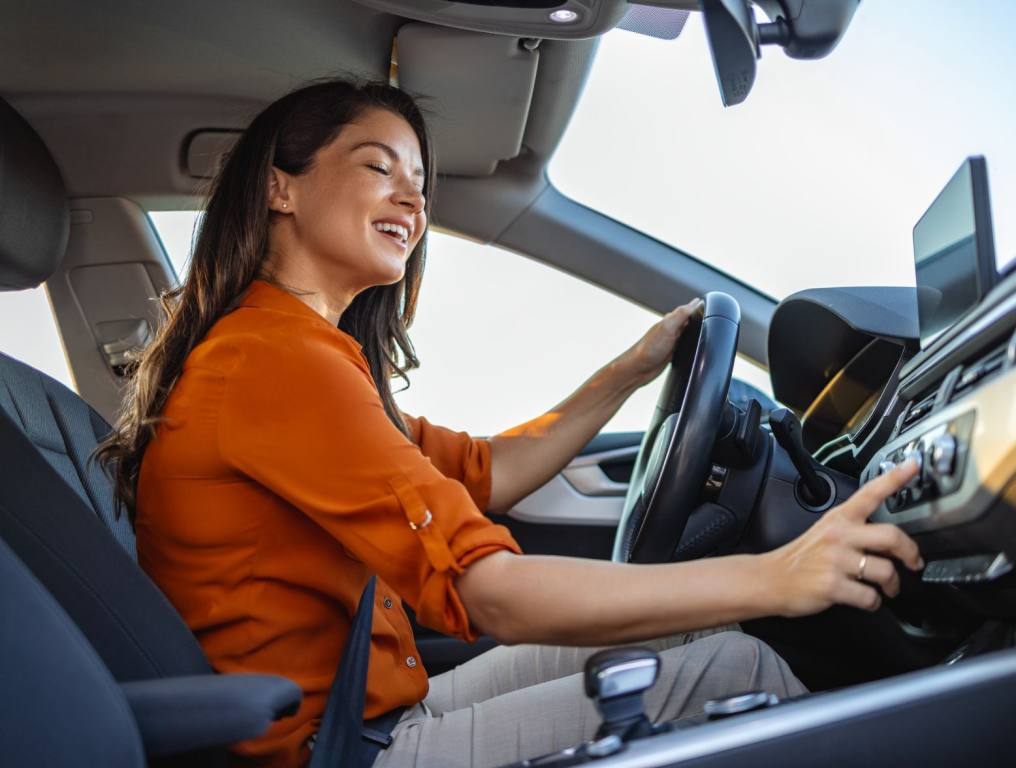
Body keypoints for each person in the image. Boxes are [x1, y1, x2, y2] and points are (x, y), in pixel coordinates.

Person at [96, 79, 922, 768]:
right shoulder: (276, 363)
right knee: (735, 662)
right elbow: (488, 591)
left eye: (419, 179)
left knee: (700, 624)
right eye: (378, 166)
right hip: (339, 749)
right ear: (281, 187)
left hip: (364, 712)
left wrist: (631, 370)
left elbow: (484, 472)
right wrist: (781, 575)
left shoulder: (297, 352)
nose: (412, 197)